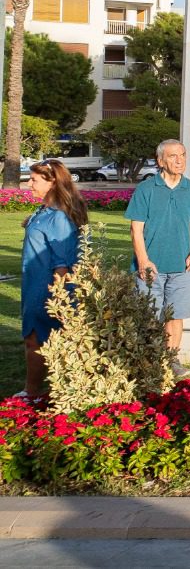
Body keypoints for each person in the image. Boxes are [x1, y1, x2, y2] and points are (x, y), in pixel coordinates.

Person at [126, 139, 190, 377]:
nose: (179, 160)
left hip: (181, 266)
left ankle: (171, 360)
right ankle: (148, 361)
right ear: (160, 161)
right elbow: (136, 229)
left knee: (175, 315)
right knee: (149, 315)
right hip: (150, 266)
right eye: (173, 156)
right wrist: (143, 260)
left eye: (182, 154)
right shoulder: (146, 189)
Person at [19, 160, 85, 401]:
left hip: (46, 288)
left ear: (52, 182)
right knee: (34, 338)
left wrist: (59, 298)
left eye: (34, 179)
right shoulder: (44, 211)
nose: (29, 184)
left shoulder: (57, 217)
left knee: (36, 339)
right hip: (34, 282)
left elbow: (62, 264)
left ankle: (33, 392)